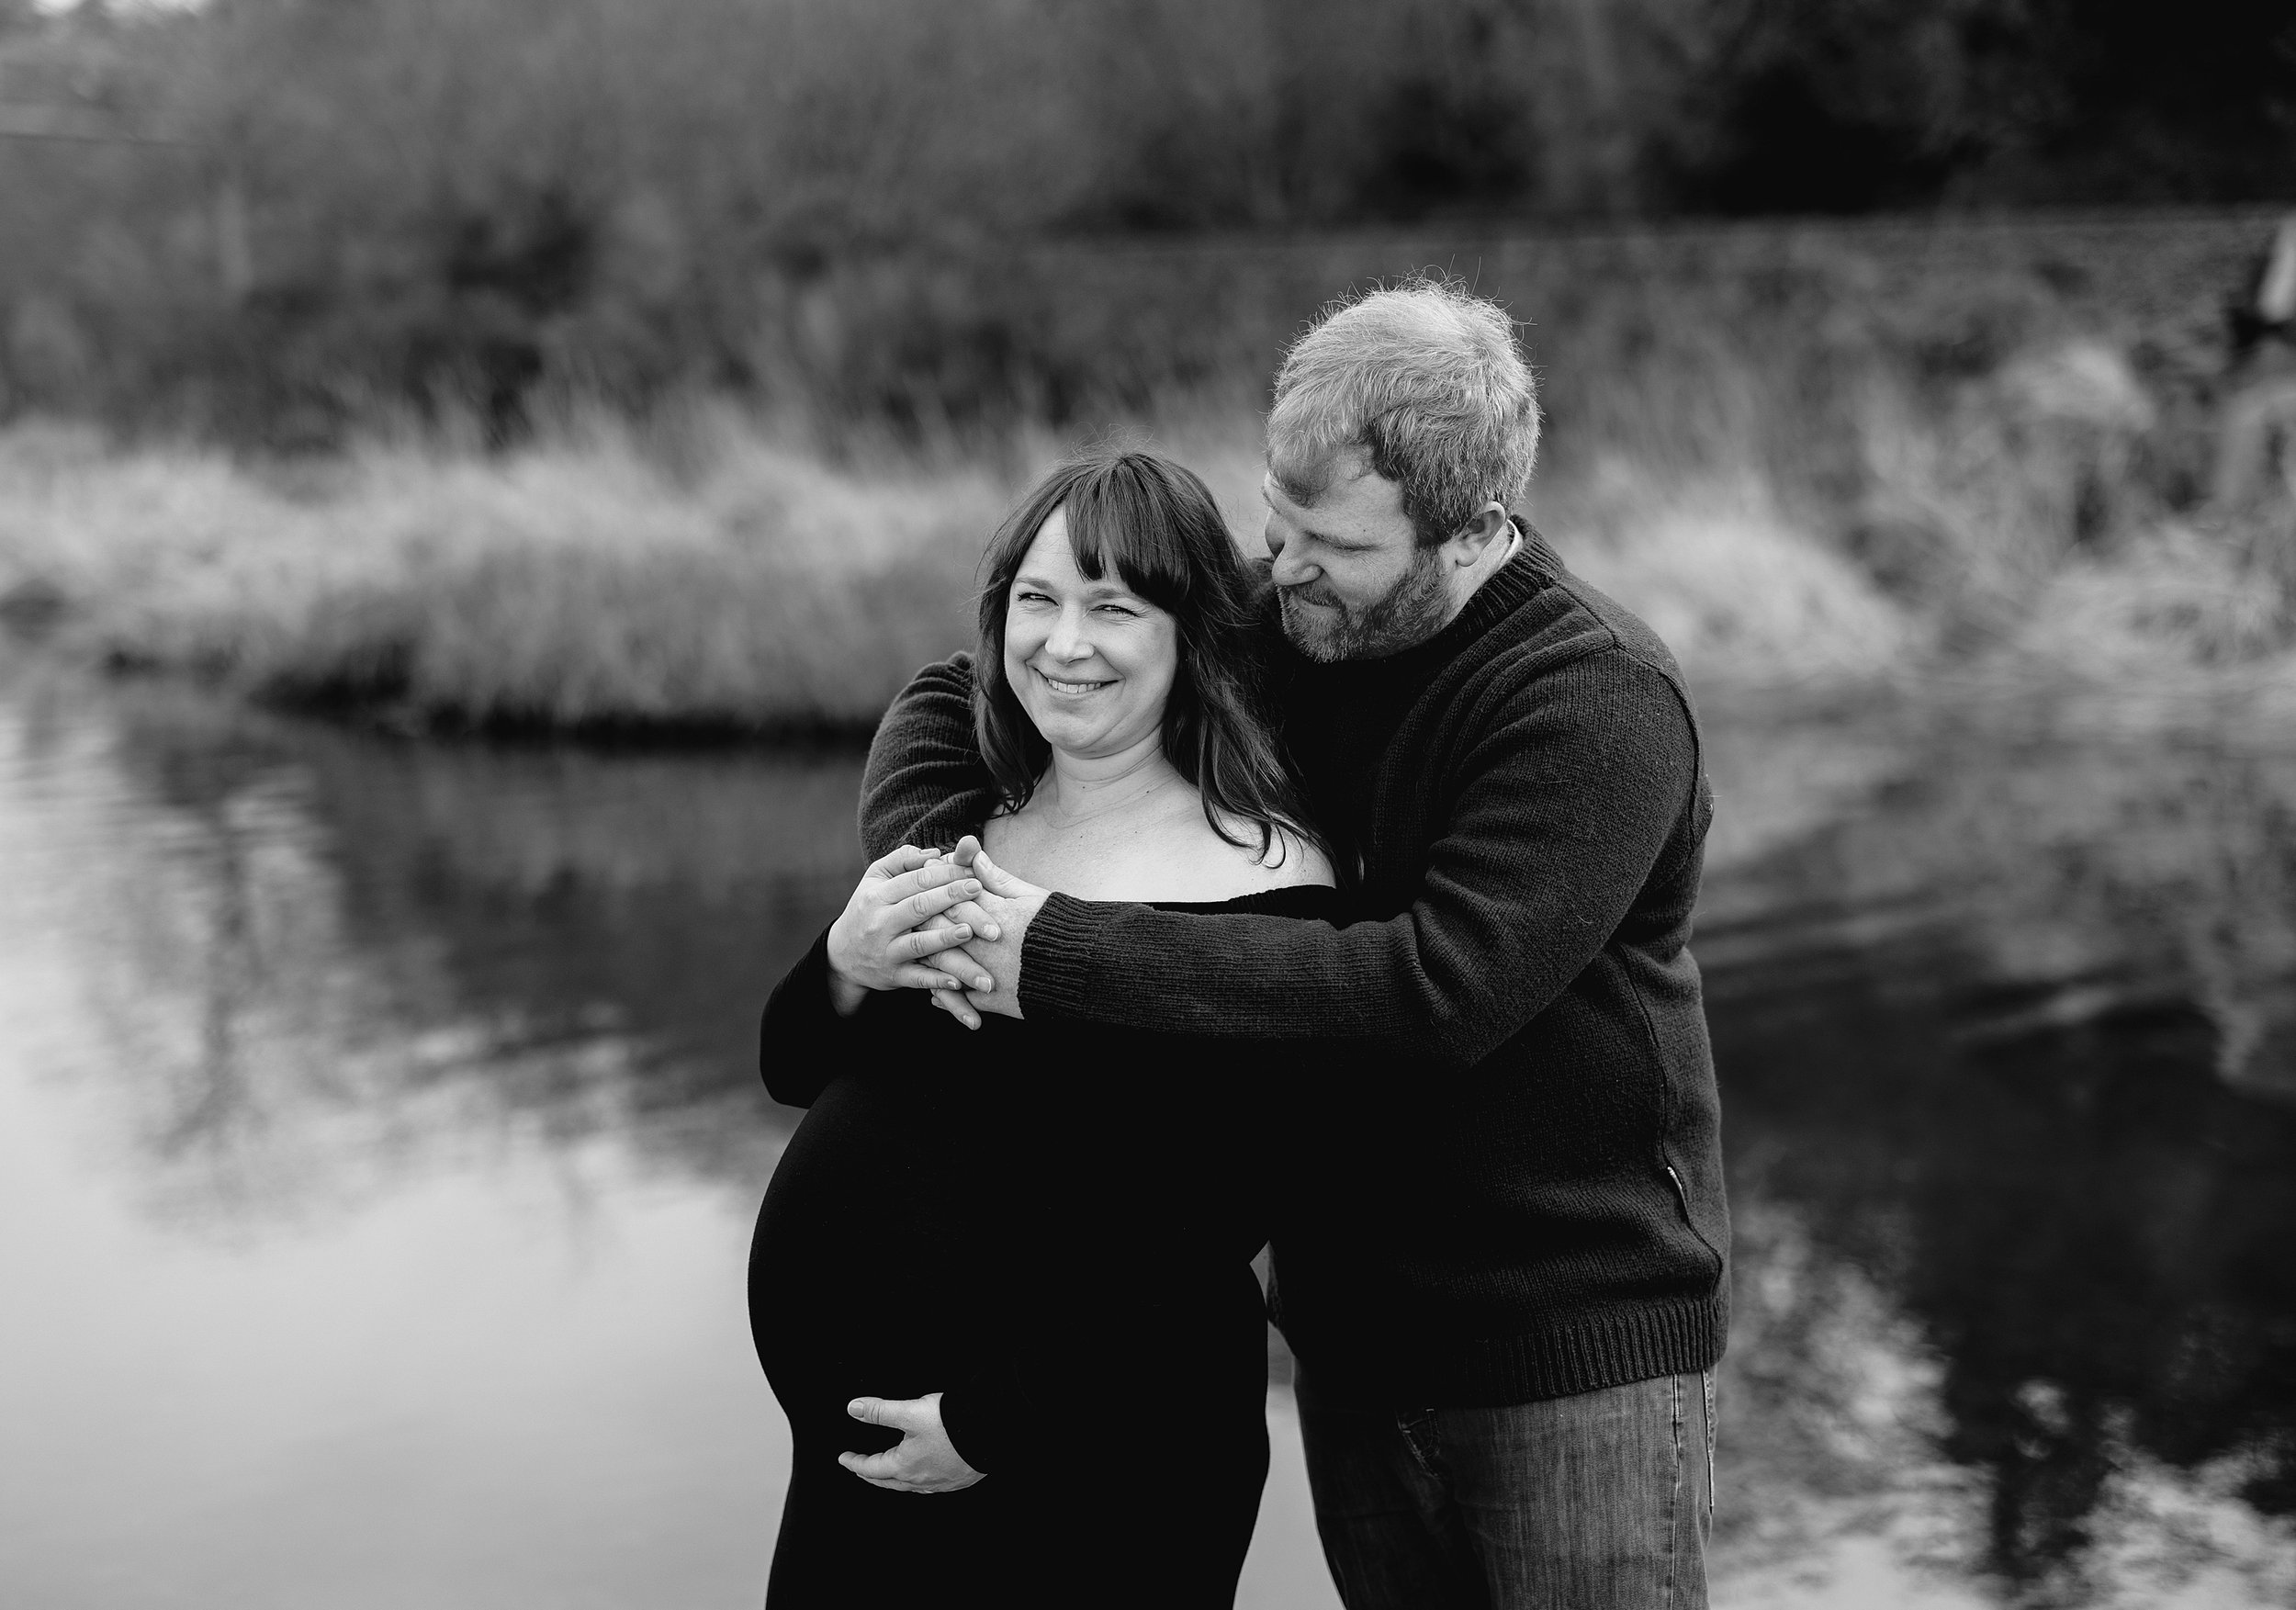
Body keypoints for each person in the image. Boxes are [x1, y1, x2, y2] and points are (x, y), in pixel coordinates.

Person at [840, 277, 1728, 1608]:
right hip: (1354, 1344)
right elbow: (949, 692)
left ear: (1477, 526)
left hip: (1569, 1354)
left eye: (1337, 545)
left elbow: (1437, 990)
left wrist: (1055, 952)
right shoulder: (1286, 625)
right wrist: (946, 886)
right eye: (1278, 520)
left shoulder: (1591, 696)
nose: (1288, 567)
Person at [748, 445, 1337, 1608]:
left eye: (1112, 608)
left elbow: (1207, 1219)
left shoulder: (1266, 880)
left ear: (1190, 637)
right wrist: (843, 963)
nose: (1063, 644)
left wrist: (985, 1422)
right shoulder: (970, 823)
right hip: (866, 1467)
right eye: (1037, 599)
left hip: (1086, 1455)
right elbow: (790, 1069)